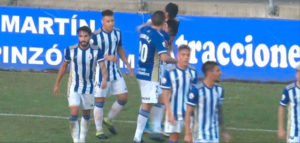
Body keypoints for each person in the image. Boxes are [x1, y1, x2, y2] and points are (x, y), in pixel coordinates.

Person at [53, 26, 107, 143]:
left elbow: (102, 67)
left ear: (90, 37)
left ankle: (82, 139)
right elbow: (63, 66)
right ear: (78, 37)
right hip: (74, 86)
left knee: (86, 114)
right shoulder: (71, 50)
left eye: (85, 36)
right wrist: (57, 84)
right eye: (81, 36)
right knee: (74, 114)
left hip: (89, 87)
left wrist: (104, 79)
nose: (83, 39)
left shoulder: (96, 50)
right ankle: (76, 140)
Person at [133, 10, 177, 143]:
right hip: (151, 75)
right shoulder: (158, 36)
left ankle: (155, 128)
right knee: (147, 105)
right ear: (164, 22)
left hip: (142, 71)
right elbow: (164, 57)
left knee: (160, 99)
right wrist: (177, 61)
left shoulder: (145, 30)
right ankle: (137, 137)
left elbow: (139, 28)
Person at [91, 9, 133, 139]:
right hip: (101, 73)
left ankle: (108, 120)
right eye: (108, 21)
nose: (111, 23)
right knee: (100, 101)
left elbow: (119, 48)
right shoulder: (95, 35)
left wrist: (126, 62)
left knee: (123, 97)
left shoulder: (117, 32)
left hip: (115, 72)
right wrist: (108, 57)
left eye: (112, 20)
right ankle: (99, 130)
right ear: (102, 21)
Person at [184, 61, 231, 143]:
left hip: (214, 136)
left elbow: (219, 112)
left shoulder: (219, 90)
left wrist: (224, 131)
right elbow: (188, 113)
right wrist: (188, 133)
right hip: (200, 136)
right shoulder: (196, 90)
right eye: (218, 70)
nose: (220, 73)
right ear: (209, 73)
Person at [160, 45, 198, 143]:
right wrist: (169, 112)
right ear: (178, 56)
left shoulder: (193, 71)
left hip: (189, 112)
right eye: (183, 55)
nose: (186, 57)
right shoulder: (169, 72)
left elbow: (195, 93)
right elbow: (165, 93)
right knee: (174, 138)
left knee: (191, 138)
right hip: (174, 111)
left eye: (188, 55)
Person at [278, 63, 300, 143]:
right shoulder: (289, 89)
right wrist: (281, 128)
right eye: (299, 72)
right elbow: (282, 106)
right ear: (296, 74)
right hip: (295, 131)